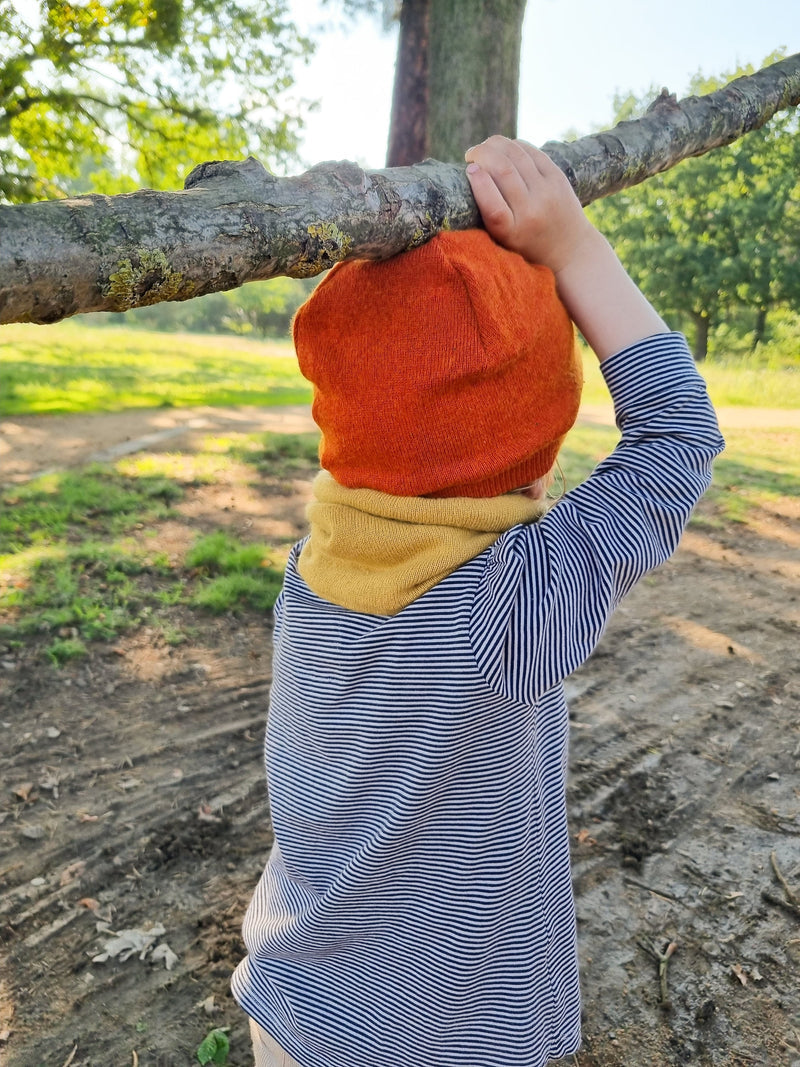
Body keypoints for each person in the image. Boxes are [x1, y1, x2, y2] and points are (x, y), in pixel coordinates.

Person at [231, 135, 725, 1067]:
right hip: (440, 1036)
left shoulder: (314, 569)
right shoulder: (508, 608)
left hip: (292, 1007)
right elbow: (676, 435)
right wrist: (573, 250)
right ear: (533, 436)